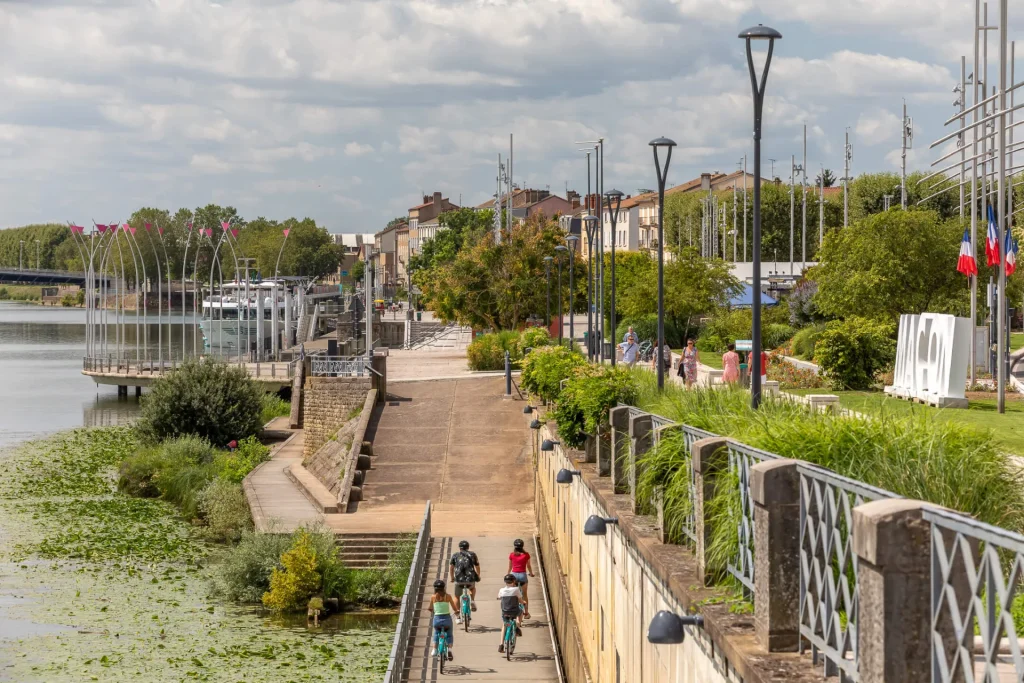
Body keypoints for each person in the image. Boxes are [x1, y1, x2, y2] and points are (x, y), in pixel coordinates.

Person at [427, 579, 458, 659]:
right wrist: (457, 611)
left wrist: (433, 611)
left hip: (437, 619)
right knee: (449, 635)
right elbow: (454, 607)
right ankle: (450, 649)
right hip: (447, 619)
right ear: (444, 588)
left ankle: (434, 649)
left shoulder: (433, 597)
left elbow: (430, 608)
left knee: (436, 633)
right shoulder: (448, 596)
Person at [448, 540, 480, 617]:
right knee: (472, 589)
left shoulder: (455, 555)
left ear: (460, 548)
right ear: (468, 547)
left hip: (459, 580)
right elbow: (477, 566)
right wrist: (478, 575)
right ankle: (472, 600)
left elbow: (451, 568)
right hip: (470, 579)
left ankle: (458, 615)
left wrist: (452, 578)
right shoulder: (472, 554)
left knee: (456, 596)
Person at [506, 539, 535, 619]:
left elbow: (510, 567)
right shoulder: (526, 555)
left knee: (514, 594)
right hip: (522, 575)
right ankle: (526, 613)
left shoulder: (512, 555)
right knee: (525, 594)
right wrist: (531, 573)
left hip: (514, 576)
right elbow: (528, 565)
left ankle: (512, 609)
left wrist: (508, 573)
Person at [497, 574, 525, 653]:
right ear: (513, 582)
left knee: (504, 625)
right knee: (521, 611)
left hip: (505, 612)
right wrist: (524, 602)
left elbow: (498, 597)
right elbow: (520, 600)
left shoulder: (501, 590)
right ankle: (518, 625)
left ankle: (501, 645)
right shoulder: (516, 589)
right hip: (514, 611)